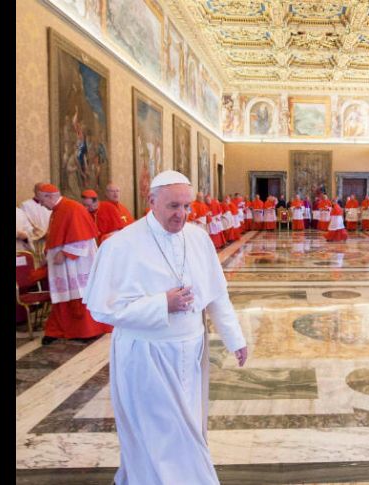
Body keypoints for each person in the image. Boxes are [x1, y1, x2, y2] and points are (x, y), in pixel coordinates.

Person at [82, 170, 248, 485]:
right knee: (159, 431)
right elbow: (103, 308)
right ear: (152, 201)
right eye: (174, 206)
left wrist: (234, 338)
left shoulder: (198, 238)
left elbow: (216, 293)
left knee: (188, 426)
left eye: (187, 206)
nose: (182, 215)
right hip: (147, 356)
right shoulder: (121, 245)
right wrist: (161, 304)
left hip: (190, 353)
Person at [37, 184, 110, 344]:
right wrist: (47, 255)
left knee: (78, 295)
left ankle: (87, 331)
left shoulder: (72, 208)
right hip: (63, 264)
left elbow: (83, 237)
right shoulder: (57, 210)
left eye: (42, 200)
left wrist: (66, 252)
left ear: (49, 196)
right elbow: (56, 236)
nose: (41, 204)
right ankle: (59, 329)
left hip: (77, 263)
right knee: (63, 296)